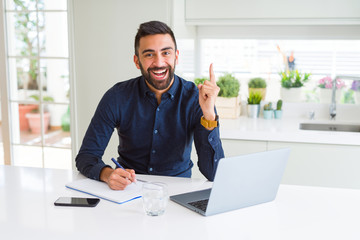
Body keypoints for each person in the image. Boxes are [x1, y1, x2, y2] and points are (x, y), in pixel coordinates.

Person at [75, 21, 225, 190]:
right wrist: (108, 174)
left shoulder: (195, 98)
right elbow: (86, 156)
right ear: (137, 61)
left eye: (166, 53)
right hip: (128, 189)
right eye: (149, 55)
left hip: (177, 192)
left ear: (176, 57)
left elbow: (214, 173)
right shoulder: (117, 96)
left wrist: (209, 115)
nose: (159, 62)